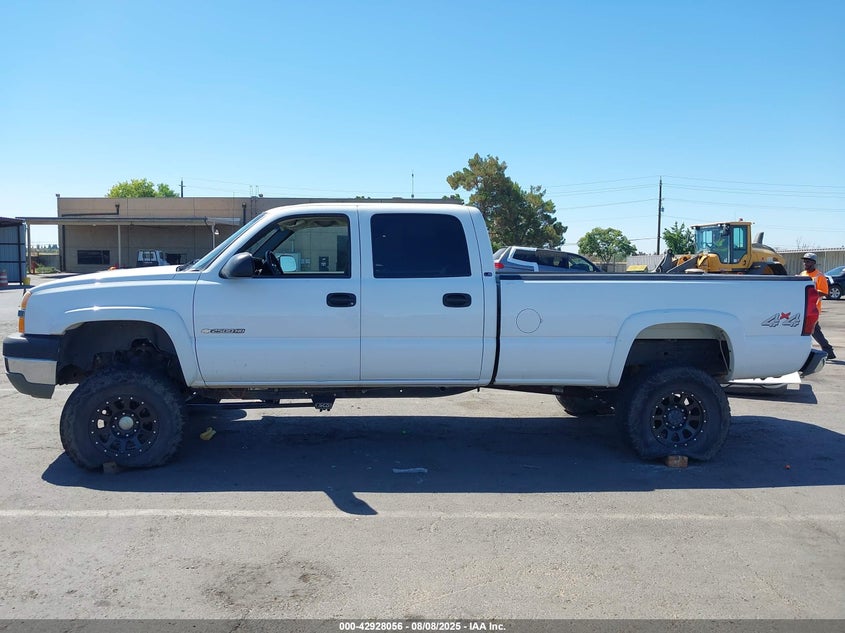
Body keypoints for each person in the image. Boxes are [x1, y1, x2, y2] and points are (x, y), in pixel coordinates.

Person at [800, 252, 835, 359]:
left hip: (813, 307)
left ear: (814, 263)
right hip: (803, 307)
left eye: (808, 261)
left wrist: (810, 294)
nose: (806, 263)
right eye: (805, 261)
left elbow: (824, 292)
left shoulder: (819, 276)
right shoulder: (803, 274)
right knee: (812, 330)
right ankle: (828, 351)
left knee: (813, 330)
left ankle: (827, 350)